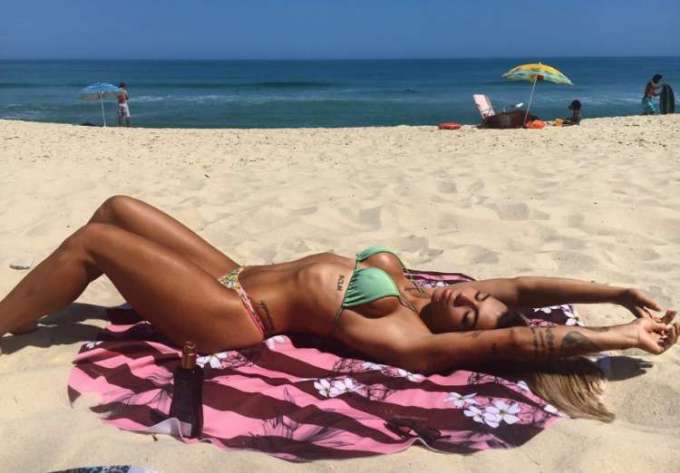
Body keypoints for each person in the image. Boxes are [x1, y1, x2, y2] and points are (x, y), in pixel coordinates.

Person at [2, 196, 678, 421]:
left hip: (231, 313)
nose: (469, 296)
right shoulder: (427, 292)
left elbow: (516, 341)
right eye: (479, 295)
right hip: (230, 270)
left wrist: (618, 335)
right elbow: (524, 288)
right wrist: (617, 291)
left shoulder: (413, 339)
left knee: (95, 242)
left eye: (471, 314)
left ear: (462, 339)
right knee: (119, 208)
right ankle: (32, 304)